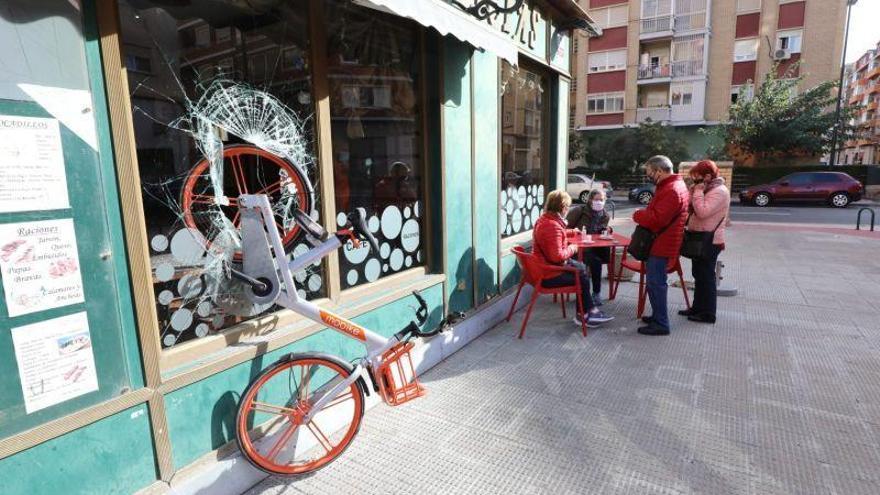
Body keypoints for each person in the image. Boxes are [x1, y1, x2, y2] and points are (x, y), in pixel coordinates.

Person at [533, 190, 614, 327]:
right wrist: (573, 248)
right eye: (567, 207)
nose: (568, 209)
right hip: (549, 274)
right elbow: (557, 256)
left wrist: (571, 232)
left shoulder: (545, 220)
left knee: (582, 268)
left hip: (545, 267)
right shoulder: (552, 225)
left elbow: (556, 235)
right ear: (563, 207)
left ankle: (586, 312)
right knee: (582, 275)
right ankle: (586, 314)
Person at [632, 156, 689, 336]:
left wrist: (638, 215)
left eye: (650, 173)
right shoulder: (672, 186)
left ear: (659, 171)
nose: (649, 177)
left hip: (661, 244)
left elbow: (657, 220)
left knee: (656, 284)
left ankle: (661, 323)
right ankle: (657, 316)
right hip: (664, 241)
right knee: (655, 282)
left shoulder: (671, 190)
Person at [682, 160, 730, 324]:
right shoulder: (706, 189)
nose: (695, 182)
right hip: (699, 238)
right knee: (698, 275)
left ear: (708, 176)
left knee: (706, 277)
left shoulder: (720, 191)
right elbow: (690, 207)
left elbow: (702, 212)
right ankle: (697, 307)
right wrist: (693, 191)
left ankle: (708, 313)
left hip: (710, 240)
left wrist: (698, 192)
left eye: (697, 179)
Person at [566, 189, 611, 306]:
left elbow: (602, 231)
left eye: (601, 200)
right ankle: (584, 294)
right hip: (576, 247)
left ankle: (596, 293)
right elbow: (564, 227)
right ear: (590, 200)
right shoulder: (579, 211)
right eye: (596, 199)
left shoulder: (605, 215)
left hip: (594, 248)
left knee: (597, 261)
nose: (599, 202)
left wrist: (606, 231)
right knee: (594, 262)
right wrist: (574, 233)